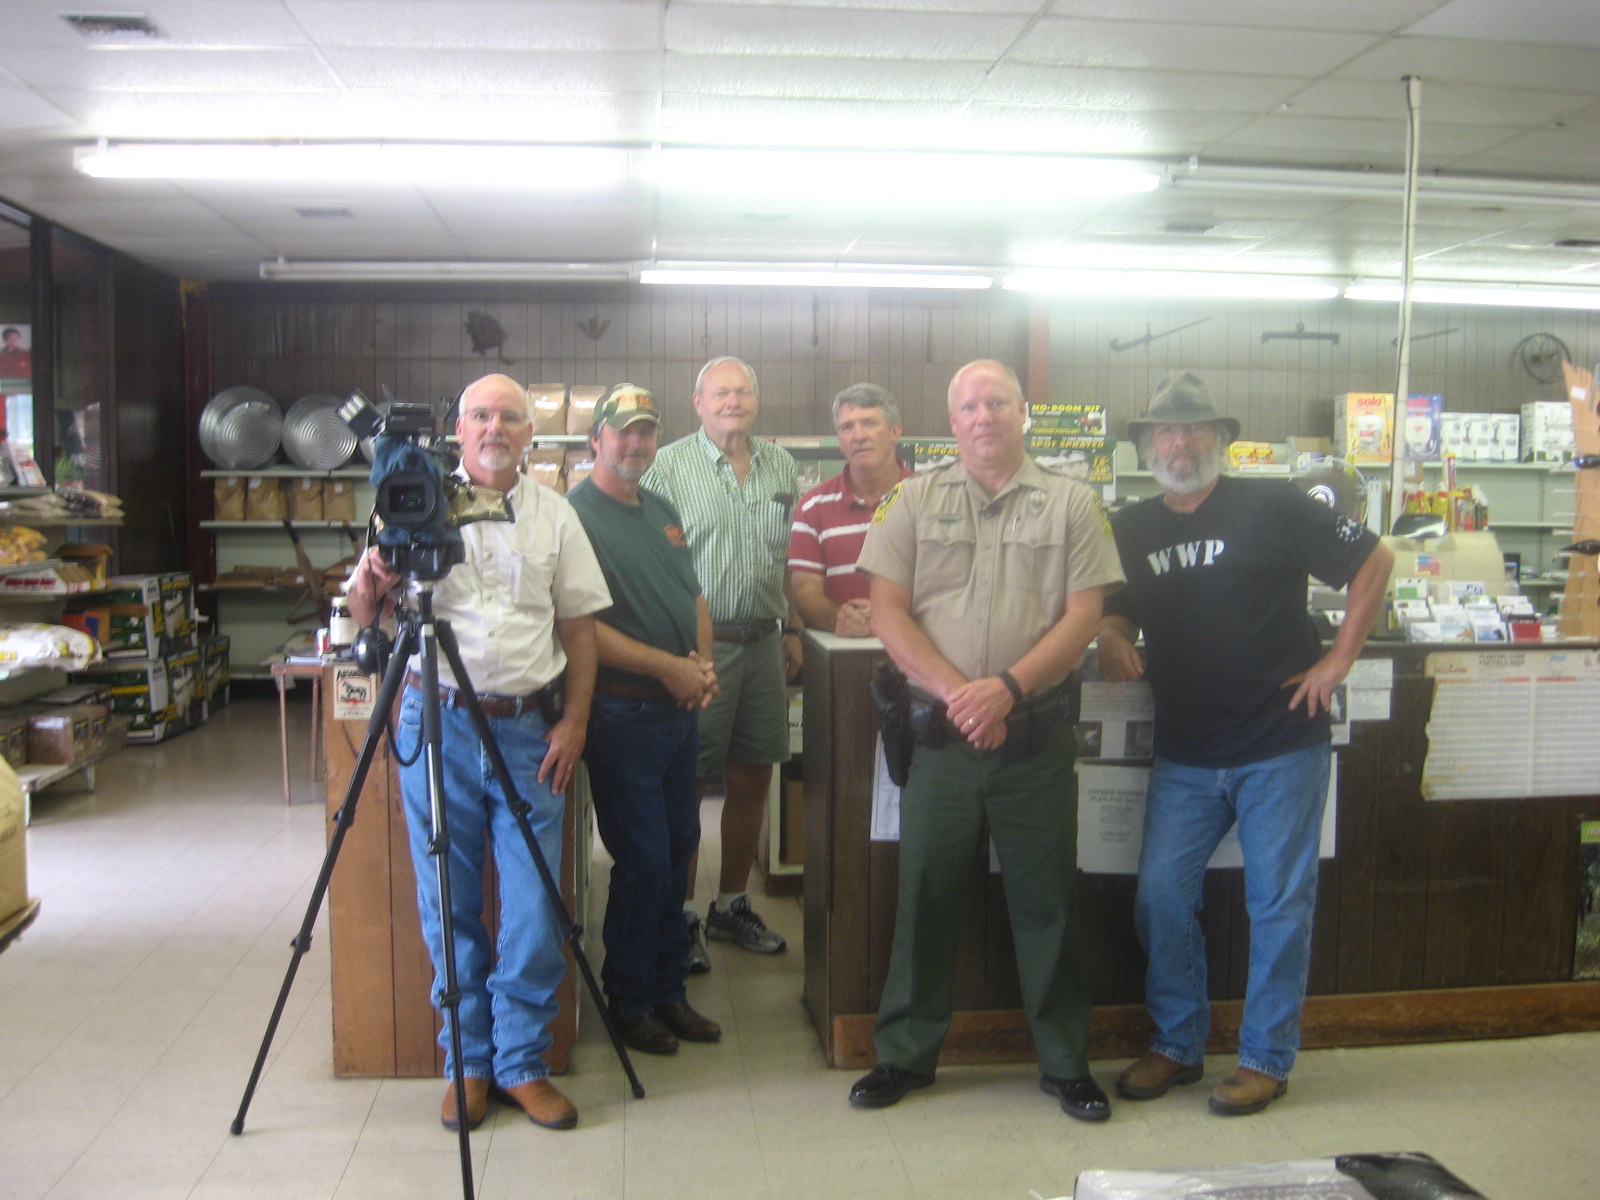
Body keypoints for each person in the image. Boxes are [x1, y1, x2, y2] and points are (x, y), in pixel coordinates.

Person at [1098, 370, 1393, 1117]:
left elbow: (1374, 562)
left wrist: (1337, 663)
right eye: (1165, 430)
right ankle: (1177, 1043)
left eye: (1196, 429)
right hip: (1186, 752)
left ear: (1221, 439)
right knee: (1161, 900)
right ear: (1144, 445)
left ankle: (1265, 1057)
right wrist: (1109, 634)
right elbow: (1114, 612)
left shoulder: (1274, 503)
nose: (1180, 441)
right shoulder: (1131, 528)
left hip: (1279, 744)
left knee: (1278, 905)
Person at [848, 360, 1126, 1119]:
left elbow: (1083, 617)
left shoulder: (1073, 504)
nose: (982, 417)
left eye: (996, 402)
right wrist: (960, 695)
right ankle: (905, 1056)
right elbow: (887, 612)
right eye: (968, 406)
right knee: (925, 899)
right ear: (952, 419)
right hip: (939, 742)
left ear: (1023, 412)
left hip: (1032, 742)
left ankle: (1067, 1063)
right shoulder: (911, 500)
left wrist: (1005, 690)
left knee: (1048, 906)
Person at [346, 373, 610, 1134]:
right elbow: (367, 610)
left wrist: (577, 724)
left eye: (510, 417)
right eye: (480, 416)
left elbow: (580, 629)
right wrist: (373, 584)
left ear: (532, 434)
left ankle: (522, 1063)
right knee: (448, 902)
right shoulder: (407, 499)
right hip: (440, 723)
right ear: (458, 431)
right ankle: (466, 1061)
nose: (495, 428)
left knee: (533, 905)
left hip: (533, 729)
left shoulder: (556, 516)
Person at [566, 384, 724, 1056]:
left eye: (646, 432)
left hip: (677, 707)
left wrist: (703, 668)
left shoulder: (660, 508)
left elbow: (693, 598)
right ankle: (628, 999)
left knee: (681, 845)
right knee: (644, 863)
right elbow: (582, 628)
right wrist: (667, 668)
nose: (635, 444)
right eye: (622, 431)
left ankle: (668, 990)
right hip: (622, 710)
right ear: (596, 439)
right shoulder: (573, 515)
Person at [642, 356, 799, 968]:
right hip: (696, 649)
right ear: (698, 402)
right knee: (688, 782)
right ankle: (680, 916)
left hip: (764, 643)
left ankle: (730, 904)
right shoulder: (668, 466)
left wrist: (794, 626)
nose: (732, 401)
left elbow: (789, 555)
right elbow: (651, 561)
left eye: (742, 391)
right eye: (720, 392)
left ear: (756, 399)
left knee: (754, 773)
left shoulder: (781, 466)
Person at [788, 383, 911, 637]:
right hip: (841, 657)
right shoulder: (813, 506)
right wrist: (841, 619)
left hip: (922, 661)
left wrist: (888, 615)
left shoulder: (930, 500)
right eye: (847, 427)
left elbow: (951, 589)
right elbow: (805, 591)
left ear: (895, 431)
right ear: (840, 441)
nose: (858, 435)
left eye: (869, 423)